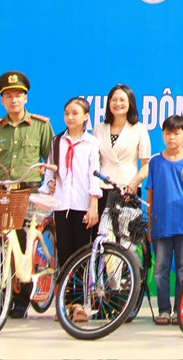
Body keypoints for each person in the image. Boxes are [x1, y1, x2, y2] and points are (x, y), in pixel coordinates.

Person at [0, 70, 54, 319]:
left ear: (25, 98)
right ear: (2, 100)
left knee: (24, 245)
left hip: (29, 192)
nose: (14, 100)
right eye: (8, 96)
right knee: (1, 245)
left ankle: (23, 298)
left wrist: (51, 187)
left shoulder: (41, 126)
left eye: (18, 95)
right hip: (2, 192)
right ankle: (0, 297)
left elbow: (51, 161)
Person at [146, 114, 183, 325]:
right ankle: (164, 310)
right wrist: (150, 224)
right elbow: (150, 194)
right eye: (168, 133)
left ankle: (180, 310)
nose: (172, 137)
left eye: (176, 133)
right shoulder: (155, 161)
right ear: (162, 135)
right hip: (161, 224)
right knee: (160, 270)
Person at [41, 97, 102, 274]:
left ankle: (81, 291)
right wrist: (49, 186)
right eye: (67, 113)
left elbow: (94, 174)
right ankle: (66, 291)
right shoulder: (57, 141)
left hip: (82, 204)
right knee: (64, 253)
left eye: (75, 113)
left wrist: (93, 205)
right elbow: (50, 171)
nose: (70, 117)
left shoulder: (91, 142)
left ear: (86, 116)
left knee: (82, 253)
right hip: (61, 205)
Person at [95, 83, 151, 195]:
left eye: (122, 100)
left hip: (128, 188)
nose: (118, 103)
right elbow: (94, 161)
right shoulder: (99, 128)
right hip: (102, 187)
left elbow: (146, 164)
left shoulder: (139, 128)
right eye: (114, 100)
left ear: (130, 102)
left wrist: (135, 183)